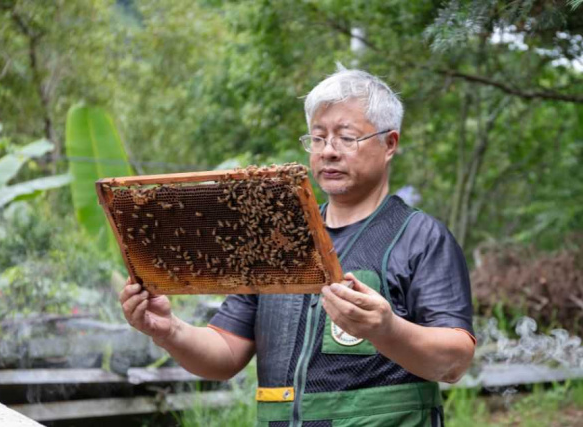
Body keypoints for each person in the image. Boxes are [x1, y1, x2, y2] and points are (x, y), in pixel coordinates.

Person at [119, 66, 475, 426]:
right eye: (317, 138)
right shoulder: (276, 238)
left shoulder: (422, 237)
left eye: (346, 137)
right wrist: (168, 330)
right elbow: (224, 355)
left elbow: (455, 361)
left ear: (389, 144)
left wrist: (387, 329)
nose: (328, 151)